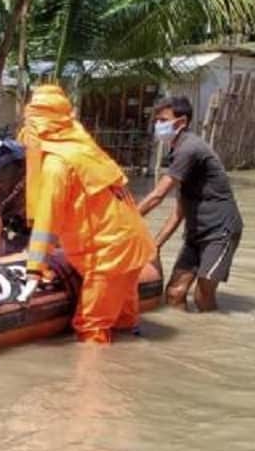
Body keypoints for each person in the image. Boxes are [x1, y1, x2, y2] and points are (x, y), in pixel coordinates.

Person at [18, 85, 156, 344]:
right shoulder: (84, 149)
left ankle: (92, 380)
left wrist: (34, 272)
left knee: (92, 327)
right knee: (125, 319)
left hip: (108, 254)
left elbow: (47, 222)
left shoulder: (56, 166)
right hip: (133, 244)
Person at [137, 96, 243, 312]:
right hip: (196, 233)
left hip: (220, 231)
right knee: (174, 293)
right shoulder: (178, 152)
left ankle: (212, 338)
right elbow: (179, 211)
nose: (158, 125)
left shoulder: (190, 149)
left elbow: (158, 195)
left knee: (203, 298)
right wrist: (156, 244)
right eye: (156, 120)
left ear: (181, 122)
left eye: (163, 119)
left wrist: (125, 218)